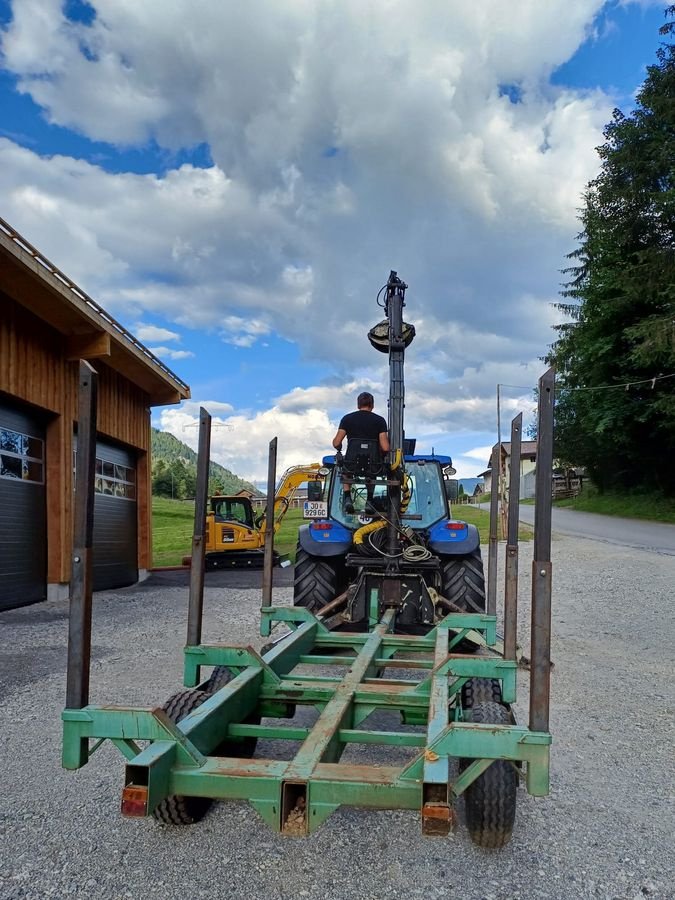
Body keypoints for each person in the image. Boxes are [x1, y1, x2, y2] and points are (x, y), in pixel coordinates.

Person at [332, 392, 390, 511]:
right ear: (372, 405)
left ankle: (347, 498)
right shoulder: (380, 421)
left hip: (352, 464)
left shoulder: (347, 419)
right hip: (373, 465)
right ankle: (369, 500)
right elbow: (385, 447)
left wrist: (339, 448)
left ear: (358, 405)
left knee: (345, 469)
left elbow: (336, 442)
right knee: (372, 472)